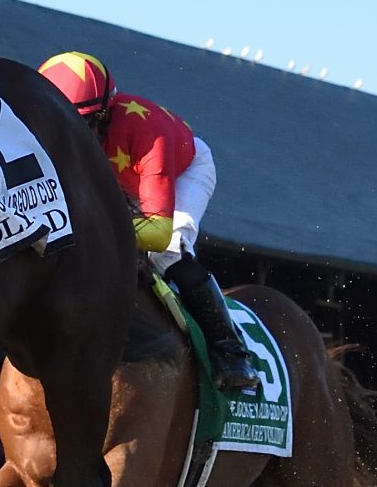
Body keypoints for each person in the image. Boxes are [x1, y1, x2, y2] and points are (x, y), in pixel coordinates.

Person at [36, 51, 257, 392]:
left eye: (83, 126)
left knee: (169, 251)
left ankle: (230, 350)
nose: (71, 139)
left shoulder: (147, 134)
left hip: (180, 172)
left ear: (104, 115)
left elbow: (157, 231)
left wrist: (96, 227)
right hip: (119, 180)